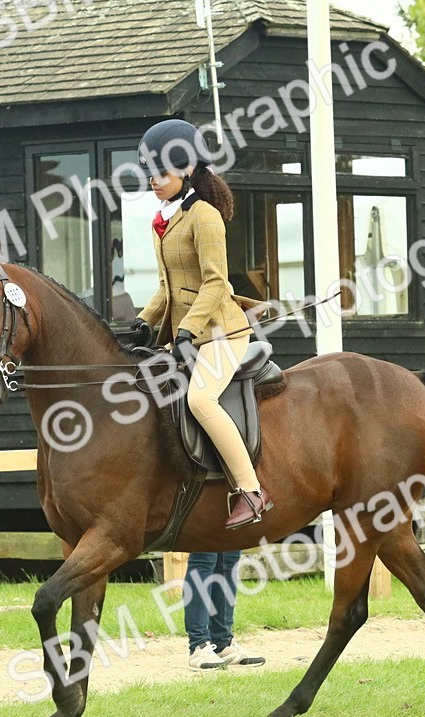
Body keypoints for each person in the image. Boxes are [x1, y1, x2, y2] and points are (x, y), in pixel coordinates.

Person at [131, 119, 269, 670]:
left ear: (186, 167)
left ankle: (251, 490)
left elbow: (215, 282)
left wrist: (188, 328)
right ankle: (211, 642)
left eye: (160, 171)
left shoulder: (206, 216)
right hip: (185, 332)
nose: (152, 180)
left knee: (199, 401)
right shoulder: (164, 220)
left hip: (222, 333)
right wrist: (145, 324)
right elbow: (168, 288)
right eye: (148, 172)